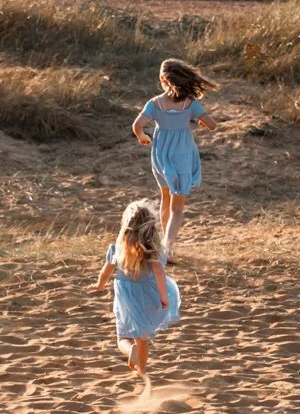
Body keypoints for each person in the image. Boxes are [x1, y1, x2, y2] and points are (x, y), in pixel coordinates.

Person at [132, 58, 218, 261]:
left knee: (166, 197)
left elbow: (137, 125)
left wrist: (142, 137)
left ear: (163, 79)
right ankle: (167, 249)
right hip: (182, 155)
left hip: (160, 155)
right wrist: (199, 120)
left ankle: (162, 245)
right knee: (177, 207)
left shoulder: (154, 103)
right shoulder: (191, 103)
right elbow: (212, 125)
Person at [88, 199, 180, 376]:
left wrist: (99, 285)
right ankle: (141, 370)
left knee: (123, 337)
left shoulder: (117, 250)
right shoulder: (155, 251)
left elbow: (106, 272)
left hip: (127, 298)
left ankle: (130, 350)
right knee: (143, 337)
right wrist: (163, 297)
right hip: (149, 294)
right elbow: (160, 272)